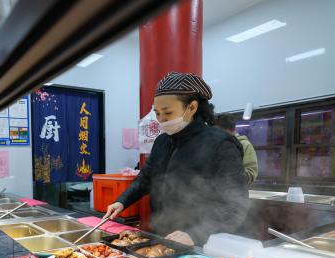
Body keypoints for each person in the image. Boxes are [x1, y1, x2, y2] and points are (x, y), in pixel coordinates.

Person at [104, 72, 248, 246]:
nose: (161, 120)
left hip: (199, 243)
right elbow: (146, 178)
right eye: (157, 113)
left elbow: (235, 205)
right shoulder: (162, 141)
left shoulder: (221, 144)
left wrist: (196, 235)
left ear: (192, 108)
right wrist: (122, 201)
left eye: (168, 112)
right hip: (161, 235)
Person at [216, 113, 258, 186]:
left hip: (235, 193)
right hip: (216, 193)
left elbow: (251, 173)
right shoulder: (217, 144)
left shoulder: (245, 145)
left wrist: (229, 172)